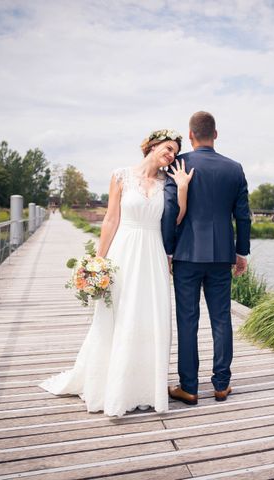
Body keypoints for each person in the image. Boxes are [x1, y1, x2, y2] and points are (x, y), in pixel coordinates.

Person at [40, 129, 193, 417]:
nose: (171, 155)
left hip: (153, 253)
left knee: (150, 317)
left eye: (175, 152)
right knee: (119, 315)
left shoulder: (168, 183)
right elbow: (111, 219)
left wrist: (182, 188)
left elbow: (176, 218)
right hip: (124, 250)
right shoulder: (121, 175)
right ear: (152, 146)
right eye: (168, 148)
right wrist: (98, 261)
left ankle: (144, 387)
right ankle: (113, 386)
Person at [162, 111, 251, 406]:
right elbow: (242, 216)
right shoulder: (234, 169)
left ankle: (189, 387)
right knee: (221, 318)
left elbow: (170, 210)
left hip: (187, 254)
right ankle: (222, 385)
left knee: (187, 320)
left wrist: (168, 249)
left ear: (190, 135)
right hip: (221, 256)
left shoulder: (179, 163)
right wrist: (241, 253)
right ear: (216, 134)